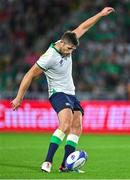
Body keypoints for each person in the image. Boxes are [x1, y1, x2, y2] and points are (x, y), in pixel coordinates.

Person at [11, 7, 115, 173]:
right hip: (57, 93)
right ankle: (47, 161)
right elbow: (29, 75)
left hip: (71, 93)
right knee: (65, 124)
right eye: (69, 49)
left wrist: (101, 14)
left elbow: (83, 27)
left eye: (73, 50)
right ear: (61, 43)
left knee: (77, 125)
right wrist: (19, 97)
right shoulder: (49, 57)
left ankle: (66, 165)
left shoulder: (70, 40)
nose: (70, 52)